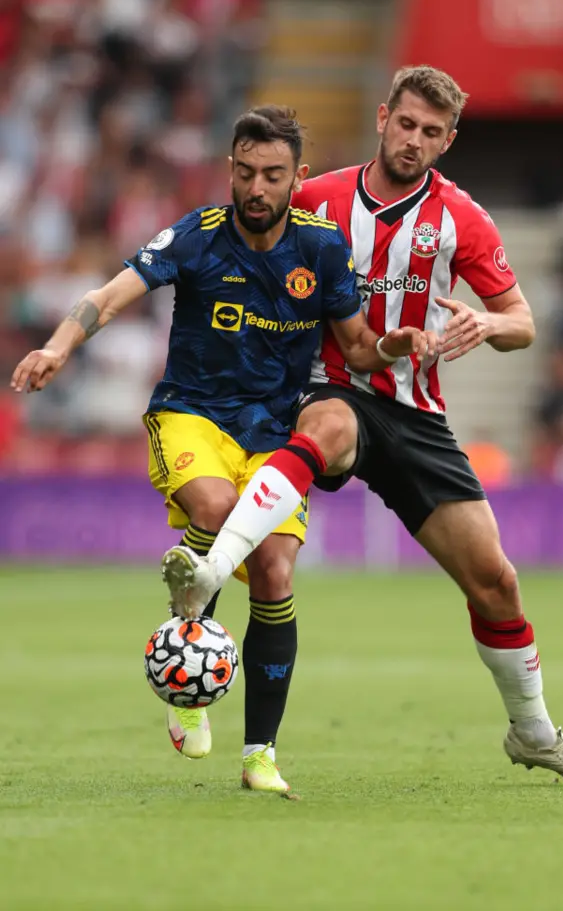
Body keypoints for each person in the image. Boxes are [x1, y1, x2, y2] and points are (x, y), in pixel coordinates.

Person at [168, 69, 563, 788]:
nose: (414, 140)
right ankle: (214, 567)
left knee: (496, 582)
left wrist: (489, 319)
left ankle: (533, 732)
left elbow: (524, 323)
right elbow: (243, 235)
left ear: (449, 141)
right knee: (328, 426)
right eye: (406, 124)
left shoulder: (461, 218)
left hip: (415, 413)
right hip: (330, 387)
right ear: (383, 118)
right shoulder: (316, 196)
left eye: (431, 132)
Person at [10, 104, 433, 794]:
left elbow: (357, 345)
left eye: (272, 174)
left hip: (277, 434)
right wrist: (58, 345)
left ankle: (259, 752)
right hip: (192, 416)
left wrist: (395, 344)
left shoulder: (322, 248)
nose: (256, 187)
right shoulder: (198, 235)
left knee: (273, 572)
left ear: (297, 178)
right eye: (245, 172)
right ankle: (193, 680)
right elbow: (112, 294)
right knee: (215, 503)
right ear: (229, 171)